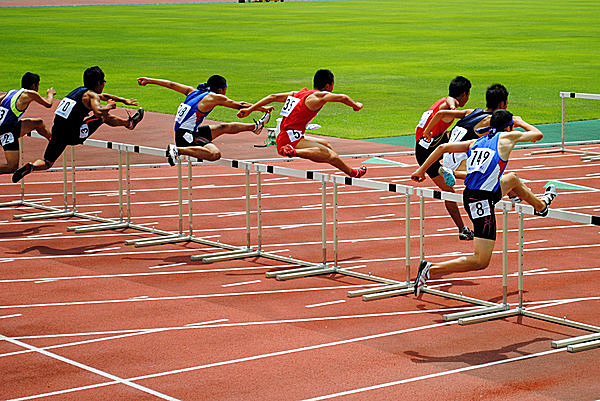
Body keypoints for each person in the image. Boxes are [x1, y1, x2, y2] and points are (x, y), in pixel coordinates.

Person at [410, 109, 557, 296]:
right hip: (480, 202)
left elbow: (441, 148)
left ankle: (541, 206)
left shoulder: (477, 141)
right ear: (509, 126)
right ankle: (430, 269)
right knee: (481, 261)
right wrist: (520, 122)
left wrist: (421, 171)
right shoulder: (507, 138)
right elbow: (538, 134)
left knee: (512, 179)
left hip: (478, 192)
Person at [12, 66, 144, 182]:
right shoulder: (92, 96)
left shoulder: (80, 91)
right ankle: (129, 123)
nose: (104, 84)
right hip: (73, 134)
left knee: (47, 162)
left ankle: (32, 166)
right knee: (103, 117)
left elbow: (103, 96)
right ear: (99, 83)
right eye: (103, 82)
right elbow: (98, 111)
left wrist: (123, 100)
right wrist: (109, 106)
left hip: (57, 131)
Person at [237, 69, 367, 178]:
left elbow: (273, 97)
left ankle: (346, 169)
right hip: (289, 139)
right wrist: (356, 105)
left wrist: (250, 110)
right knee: (329, 154)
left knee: (327, 145)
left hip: (287, 134)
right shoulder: (318, 97)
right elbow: (343, 97)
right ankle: (353, 173)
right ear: (329, 85)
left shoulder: (300, 94)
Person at [136, 75, 271, 165]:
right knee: (215, 154)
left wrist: (149, 80)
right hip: (186, 137)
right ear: (221, 89)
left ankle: (255, 127)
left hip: (189, 131)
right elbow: (239, 105)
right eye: (225, 89)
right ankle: (177, 150)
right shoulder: (214, 97)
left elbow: (171, 84)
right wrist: (261, 108)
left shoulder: (193, 91)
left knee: (223, 128)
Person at [415, 76, 472, 240]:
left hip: (431, 143)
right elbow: (442, 111)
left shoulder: (446, 100)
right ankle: (462, 229)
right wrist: (429, 131)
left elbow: (447, 102)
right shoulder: (449, 106)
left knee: (460, 141)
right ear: (465, 94)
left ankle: (449, 169)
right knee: (448, 191)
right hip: (427, 150)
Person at [422, 83, 509, 184]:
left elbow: (441, 114)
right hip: (459, 161)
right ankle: (455, 173)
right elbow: (514, 123)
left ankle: (512, 195)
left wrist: (427, 131)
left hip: (447, 156)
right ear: (503, 104)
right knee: (491, 173)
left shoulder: (471, 112)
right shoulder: (492, 120)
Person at [0, 72, 56, 174]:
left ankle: (54, 141)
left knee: (38, 123)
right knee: (12, 167)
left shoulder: (11, 92)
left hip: (11, 126)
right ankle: (54, 142)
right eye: (38, 85)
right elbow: (48, 104)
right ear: (34, 85)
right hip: (6, 131)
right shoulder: (31, 93)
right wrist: (50, 94)